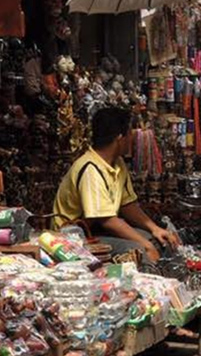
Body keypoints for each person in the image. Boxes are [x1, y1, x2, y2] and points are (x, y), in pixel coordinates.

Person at [53, 107, 181, 262]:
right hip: (75, 238)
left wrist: (155, 229)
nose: (132, 139)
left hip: (97, 230)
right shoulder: (90, 169)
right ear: (120, 138)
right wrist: (146, 246)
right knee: (138, 250)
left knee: (159, 241)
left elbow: (128, 205)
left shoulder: (117, 163)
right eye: (130, 134)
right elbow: (107, 221)